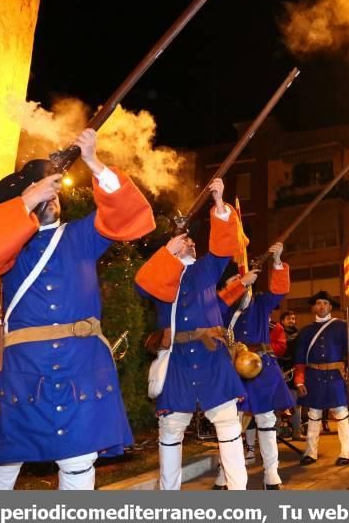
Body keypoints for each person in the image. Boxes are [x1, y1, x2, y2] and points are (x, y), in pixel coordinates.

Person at [0, 129, 155, 489]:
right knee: (1, 469)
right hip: (21, 368)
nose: (52, 197)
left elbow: (131, 218)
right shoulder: (8, 245)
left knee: (78, 465)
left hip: (81, 364)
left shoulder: (80, 234)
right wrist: (26, 203)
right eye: (43, 191)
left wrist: (94, 161)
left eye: (52, 191)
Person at [135, 178, 248, 490]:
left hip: (211, 357)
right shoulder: (161, 272)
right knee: (171, 430)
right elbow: (142, 284)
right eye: (183, 240)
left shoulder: (205, 269)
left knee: (227, 425)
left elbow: (224, 248)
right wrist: (168, 254)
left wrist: (220, 203)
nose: (190, 243)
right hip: (177, 361)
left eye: (191, 241)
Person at [210, 243, 294, 490]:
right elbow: (220, 306)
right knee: (230, 422)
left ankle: (271, 472)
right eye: (234, 281)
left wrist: (277, 260)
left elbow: (279, 292)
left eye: (242, 279)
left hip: (262, 366)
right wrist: (241, 283)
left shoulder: (260, 303)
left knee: (266, 419)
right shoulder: (221, 306)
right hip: (232, 367)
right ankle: (226, 474)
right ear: (227, 287)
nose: (241, 284)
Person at [294, 291, 349, 466]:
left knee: (341, 413)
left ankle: (345, 453)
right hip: (313, 376)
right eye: (318, 303)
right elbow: (300, 360)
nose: (321, 306)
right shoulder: (306, 331)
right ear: (314, 307)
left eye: (325, 303)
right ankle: (311, 452)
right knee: (313, 414)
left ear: (330, 307)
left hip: (335, 376)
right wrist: (300, 380)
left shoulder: (341, 326)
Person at [276, 310, 304, 440]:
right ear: (282, 321)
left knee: (295, 403)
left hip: (293, 372)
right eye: (288, 318)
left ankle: (296, 432)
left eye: (293, 318)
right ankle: (275, 433)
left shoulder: (300, 335)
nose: (292, 321)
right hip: (277, 371)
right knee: (276, 404)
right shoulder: (275, 333)